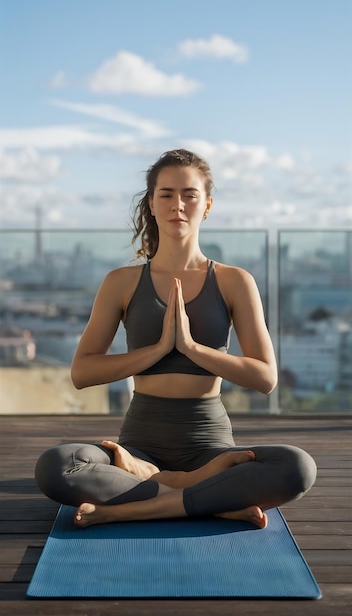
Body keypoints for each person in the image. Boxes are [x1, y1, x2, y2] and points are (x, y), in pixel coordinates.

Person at [35, 148, 317, 530]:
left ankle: (134, 506)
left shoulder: (235, 281)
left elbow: (265, 378)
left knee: (298, 467)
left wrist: (191, 348)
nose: (177, 205)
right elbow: (82, 372)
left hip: (212, 449)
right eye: (166, 194)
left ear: (207, 205)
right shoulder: (121, 282)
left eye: (190, 195)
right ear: (151, 204)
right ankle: (207, 499)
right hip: (136, 448)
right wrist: (157, 350)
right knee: (56, 466)